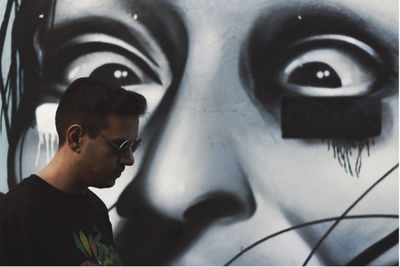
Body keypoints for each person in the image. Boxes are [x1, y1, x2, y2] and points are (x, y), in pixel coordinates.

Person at [0, 0, 398, 265]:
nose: (172, 186)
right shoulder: (21, 215)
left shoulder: (90, 208)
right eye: (111, 70)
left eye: (322, 75)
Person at [0, 77, 147, 265]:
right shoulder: (18, 212)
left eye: (134, 146)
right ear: (76, 138)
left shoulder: (96, 208)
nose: (129, 159)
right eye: (121, 145)